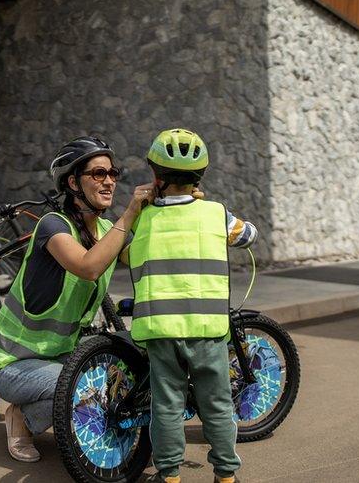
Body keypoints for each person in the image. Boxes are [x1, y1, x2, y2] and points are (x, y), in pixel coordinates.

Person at [0, 136, 153, 463]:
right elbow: (89, 267)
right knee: (83, 385)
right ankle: (22, 418)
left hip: (61, 357)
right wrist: (131, 214)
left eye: (113, 173)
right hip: (13, 363)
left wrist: (170, 205)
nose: (109, 181)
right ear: (73, 182)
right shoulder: (53, 226)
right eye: (98, 173)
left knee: (125, 377)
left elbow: (144, 256)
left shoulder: (106, 229)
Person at [126, 128, 257, 483]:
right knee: (217, 404)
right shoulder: (216, 214)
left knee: (166, 406)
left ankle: (169, 476)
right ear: (200, 177)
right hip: (207, 329)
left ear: (155, 176)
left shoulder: (143, 218)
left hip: (160, 329)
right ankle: (226, 476)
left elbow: (125, 253)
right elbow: (248, 235)